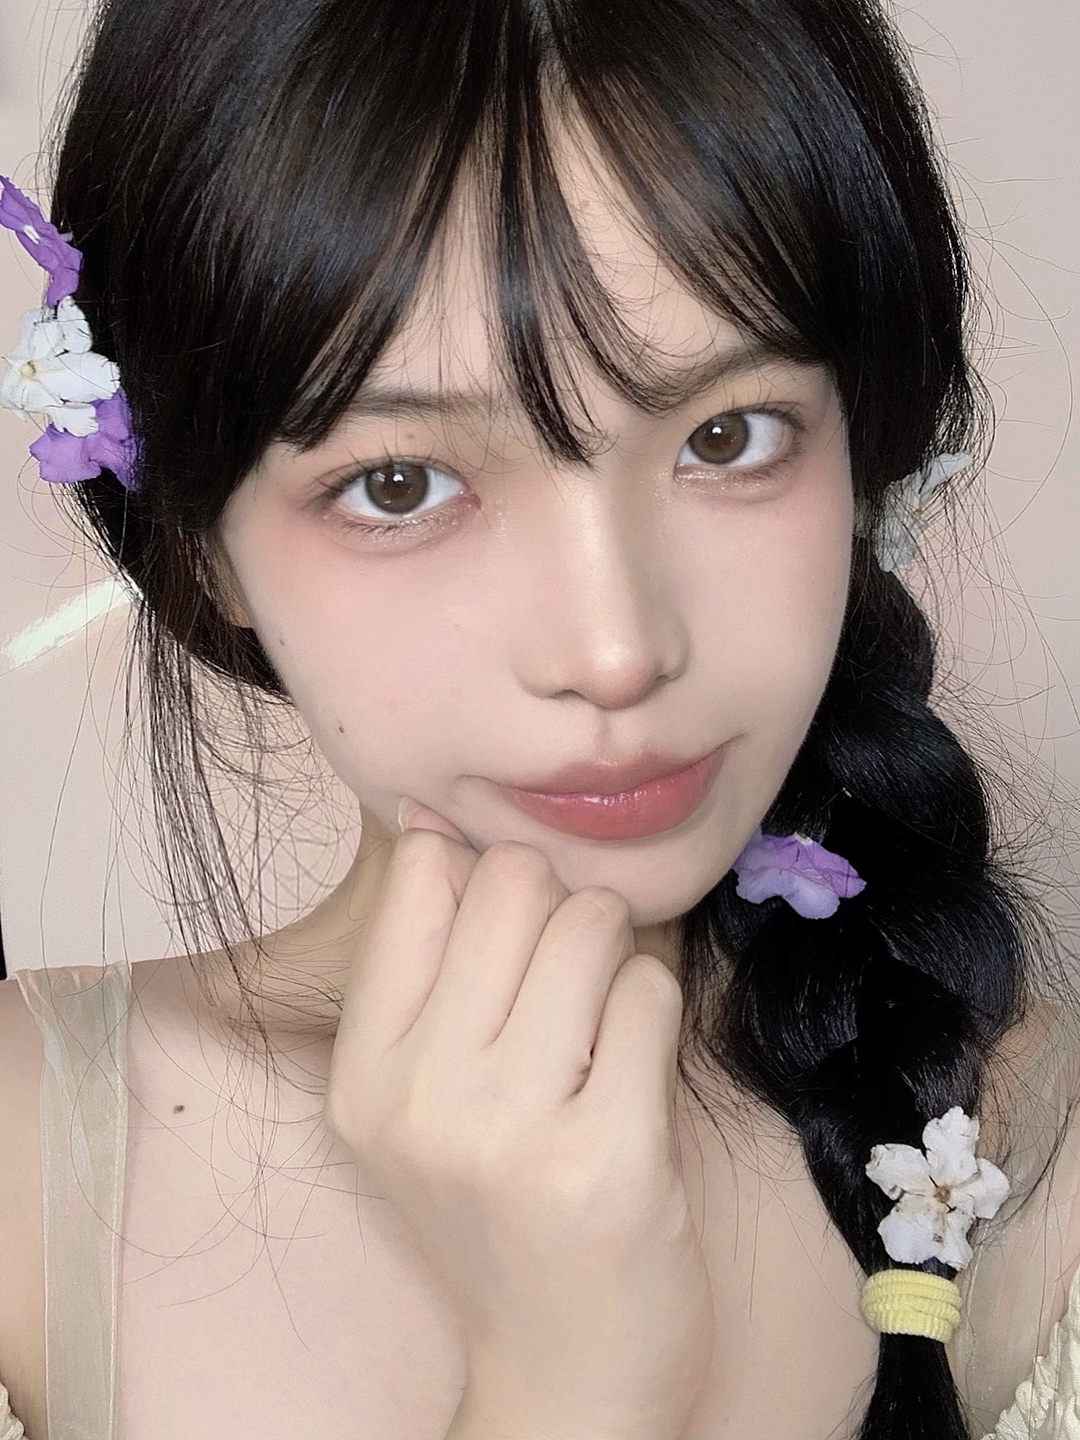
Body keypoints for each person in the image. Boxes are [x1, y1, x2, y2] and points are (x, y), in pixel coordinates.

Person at [0, 0, 1076, 1435]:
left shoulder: (1041, 1164)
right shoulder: (24, 1168)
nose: (617, 652)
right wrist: (567, 1375)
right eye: (400, 484)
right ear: (204, 549)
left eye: (728, 436)